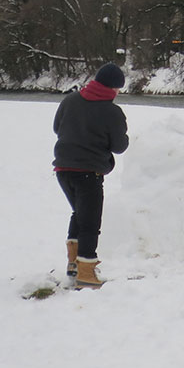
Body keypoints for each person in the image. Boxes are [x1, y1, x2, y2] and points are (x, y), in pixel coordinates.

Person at [53, 62, 129, 288]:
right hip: (89, 172)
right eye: (118, 90)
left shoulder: (70, 100)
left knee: (80, 214)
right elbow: (119, 146)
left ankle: (73, 264)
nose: (117, 94)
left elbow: (58, 128)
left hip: (63, 169)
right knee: (90, 223)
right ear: (113, 88)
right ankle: (86, 273)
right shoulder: (112, 111)